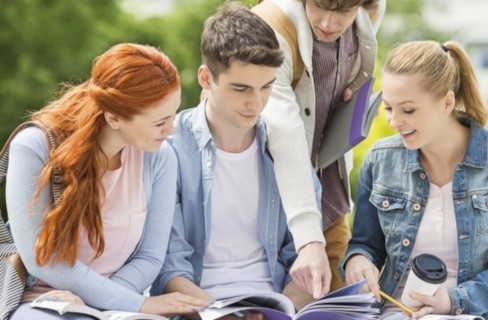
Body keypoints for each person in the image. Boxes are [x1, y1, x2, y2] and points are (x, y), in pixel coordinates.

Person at [6, 43, 208, 319]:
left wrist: (101, 302)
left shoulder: (159, 157)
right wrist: (136, 304)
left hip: (118, 304)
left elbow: (149, 257)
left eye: (173, 115)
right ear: (114, 117)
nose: (170, 130)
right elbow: (42, 259)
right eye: (159, 122)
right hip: (44, 301)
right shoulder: (34, 147)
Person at [341, 40, 488, 320]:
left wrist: (455, 300)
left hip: (473, 313)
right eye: (387, 108)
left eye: (408, 110)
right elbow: (366, 244)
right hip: (396, 312)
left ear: (446, 102)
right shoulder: (380, 159)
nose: (394, 121)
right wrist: (358, 260)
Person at [151, 2, 317, 318]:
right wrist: (220, 315)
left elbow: (302, 260)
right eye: (240, 88)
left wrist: (285, 308)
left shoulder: (286, 150)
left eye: (266, 87)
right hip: (197, 309)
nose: (256, 103)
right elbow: (168, 266)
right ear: (205, 77)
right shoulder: (169, 149)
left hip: (275, 306)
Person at [256, 0, 386, 296]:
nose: (328, 23)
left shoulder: (372, 10)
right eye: (319, 6)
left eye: (344, 11)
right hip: (270, 197)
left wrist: (353, 87)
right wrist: (309, 240)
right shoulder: (271, 29)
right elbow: (284, 135)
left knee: (341, 307)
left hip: (329, 192)